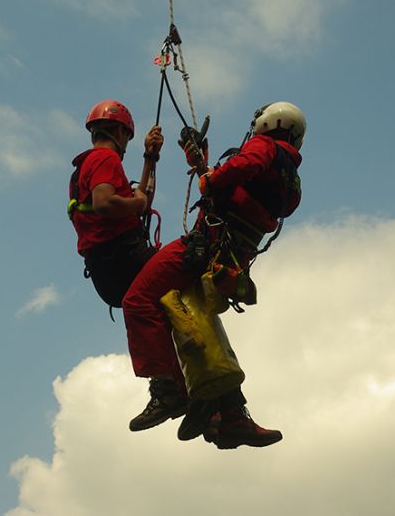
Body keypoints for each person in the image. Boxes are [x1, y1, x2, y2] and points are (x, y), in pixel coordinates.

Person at [122, 101, 305, 449]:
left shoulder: (263, 147)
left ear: (269, 122)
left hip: (205, 246)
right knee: (196, 324)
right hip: (227, 259)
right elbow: (238, 194)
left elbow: (234, 172)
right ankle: (230, 415)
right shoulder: (290, 177)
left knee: (138, 299)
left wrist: (212, 178)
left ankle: (169, 391)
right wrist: (202, 164)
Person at [67, 100, 187, 430]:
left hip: (108, 271)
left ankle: (178, 389)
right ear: (122, 132)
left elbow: (141, 201)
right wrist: (135, 202)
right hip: (124, 257)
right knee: (193, 258)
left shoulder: (86, 168)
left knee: (161, 313)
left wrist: (151, 158)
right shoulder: (105, 159)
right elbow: (110, 203)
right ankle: (179, 389)